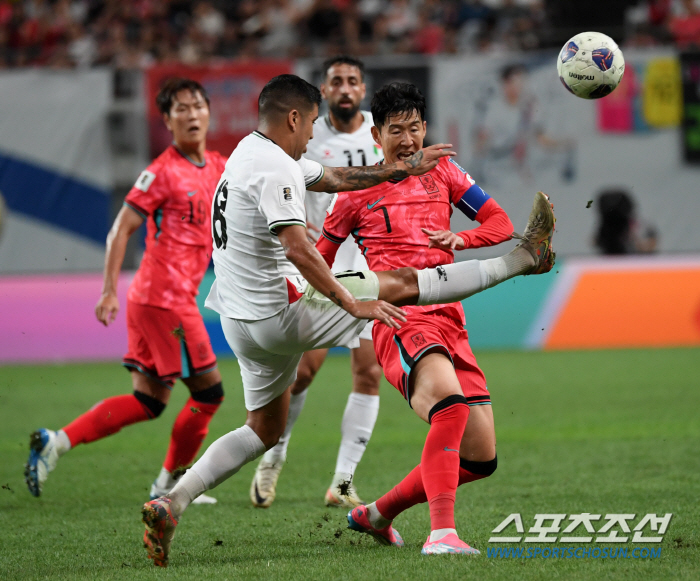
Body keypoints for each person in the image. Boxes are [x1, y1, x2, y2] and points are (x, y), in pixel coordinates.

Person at [140, 73, 555, 568]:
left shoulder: (247, 155)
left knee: (263, 429)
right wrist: (350, 303)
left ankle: (173, 500)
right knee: (401, 285)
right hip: (281, 310)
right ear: (293, 118)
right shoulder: (276, 169)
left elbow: (335, 179)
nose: (316, 133)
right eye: (312, 122)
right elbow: (299, 248)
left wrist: (397, 172)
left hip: (238, 319)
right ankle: (522, 260)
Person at [316, 82, 548, 555]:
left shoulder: (443, 171)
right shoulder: (355, 191)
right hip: (400, 319)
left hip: (450, 318)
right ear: (376, 135)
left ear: (426, 129)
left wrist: (462, 240)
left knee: (481, 458)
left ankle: (376, 514)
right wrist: (350, 300)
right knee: (450, 406)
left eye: (415, 127)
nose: (407, 139)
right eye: (395, 130)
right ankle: (442, 535)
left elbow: (500, 223)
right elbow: (318, 259)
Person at [25, 78, 227, 505]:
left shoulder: (218, 166)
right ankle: (170, 484)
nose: (191, 115)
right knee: (209, 394)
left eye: (197, 106)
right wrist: (107, 291)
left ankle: (56, 442)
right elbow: (122, 228)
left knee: (149, 401)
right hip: (163, 298)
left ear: (209, 112)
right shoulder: (161, 172)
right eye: (181, 109)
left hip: (167, 298)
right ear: (167, 121)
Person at [249, 56, 384, 510]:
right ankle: (274, 454)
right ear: (324, 91)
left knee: (369, 372)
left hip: (370, 263)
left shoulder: (380, 135)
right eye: (336, 81)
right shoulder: (306, 133)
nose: (345, 87)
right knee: (303, 372)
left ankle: (342, 482)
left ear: (362, 88)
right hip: (320, 260)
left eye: (352, 79)